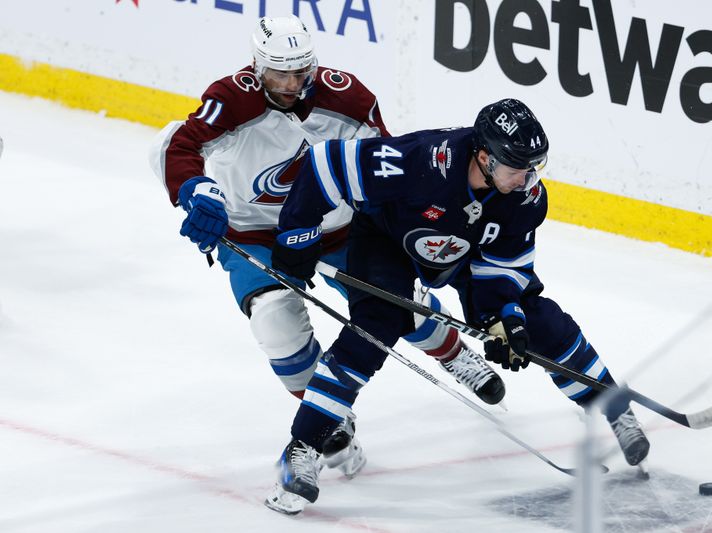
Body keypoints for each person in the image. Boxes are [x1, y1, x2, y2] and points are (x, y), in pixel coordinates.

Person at [148, 15, 505, 486]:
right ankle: (328, 422)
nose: (293, 83)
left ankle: (453, 352)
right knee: (275, 320)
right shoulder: (231, 99)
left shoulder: (348, 98)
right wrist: (196, 189)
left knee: (398, 303)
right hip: (255, 232)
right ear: (257, 67)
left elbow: (385, 166)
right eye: (280, 73)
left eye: (301, 71)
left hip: (336, 225)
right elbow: (177, 143)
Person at [268, 98, 651, 513]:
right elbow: (327, 163)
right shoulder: (416, 163)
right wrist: (297, 231)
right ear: (484, 158)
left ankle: (612, 405)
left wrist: (504, 318)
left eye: (533, 169)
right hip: (387, 243)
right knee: (374, 329)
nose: (527, 180)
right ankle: (301, 450)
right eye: (517, 169)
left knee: (540, 323)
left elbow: (505, 267)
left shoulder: (523, 198)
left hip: (466, 254)